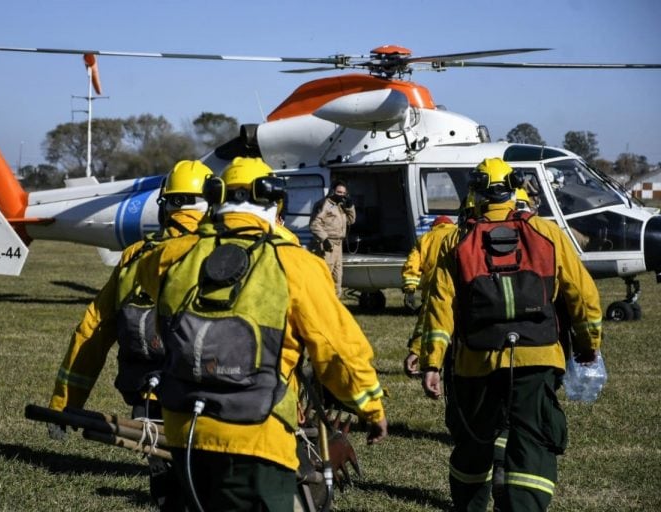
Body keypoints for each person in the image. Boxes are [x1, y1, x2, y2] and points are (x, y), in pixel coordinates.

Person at [135, 157, 387, 511]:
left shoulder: (170, 259)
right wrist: (371, 408)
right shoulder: (297, 265)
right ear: (274, 202)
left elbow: (149, 273)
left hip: (184, 435)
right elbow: (338, 349)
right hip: (258, 440)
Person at [420, 158, 603, 512]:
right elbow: (583, 294)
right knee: (532, 441)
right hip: (539, 358)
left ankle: (470, 506)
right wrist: (588, 345)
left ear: (474, 194)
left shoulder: (456, 240)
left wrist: (431, 363)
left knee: (474, 442)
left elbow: (439, 306)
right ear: (515, 190)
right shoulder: (547, 234)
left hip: (476, 362)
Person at [49, 160, 213, 418]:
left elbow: (93, 327)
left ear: (164, 207)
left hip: (145, 396)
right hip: (209, 398)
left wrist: (64, 404)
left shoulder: (135, 256)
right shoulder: (224, 254)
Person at [400, 215, 456, 377]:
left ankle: (418, 358)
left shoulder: (425, 238)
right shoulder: (459, 234)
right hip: (455, 290)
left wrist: (410, 288)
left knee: (428, 326)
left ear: (434, 226)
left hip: (433, 290)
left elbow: (412, 264)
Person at [309, 180, 356, 297]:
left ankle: (335, 305)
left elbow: (351, 220)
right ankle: (320, 303)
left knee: (337, 277)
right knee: (325, 275)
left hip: (338, 245)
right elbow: (315, 224)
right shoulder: (324, 204)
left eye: (343, 193)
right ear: (332, 191)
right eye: (338, 192)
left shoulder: (340, 206)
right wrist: (324, 240)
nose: (341, 195)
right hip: (327, 245)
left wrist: (350, 207)